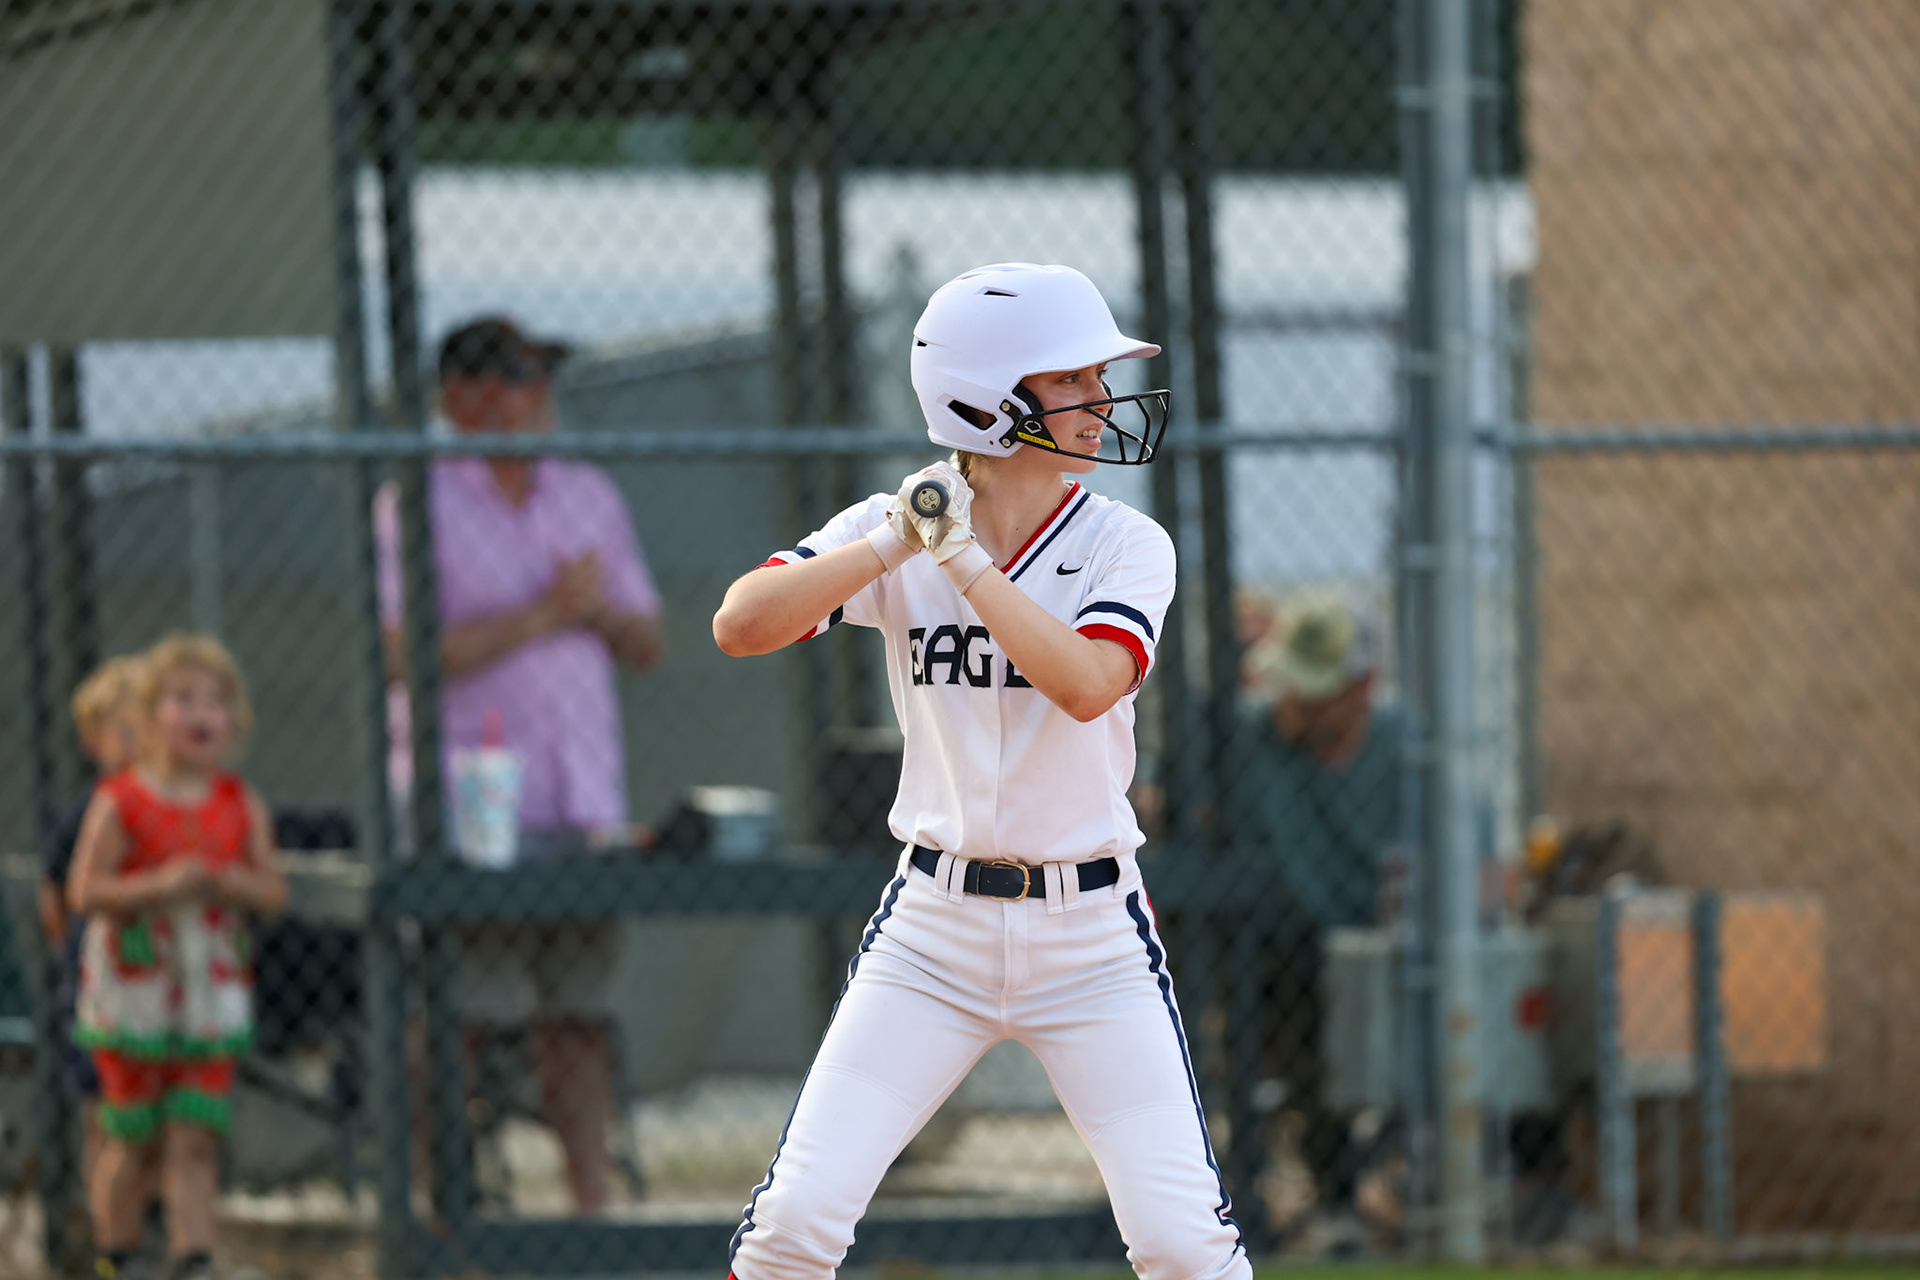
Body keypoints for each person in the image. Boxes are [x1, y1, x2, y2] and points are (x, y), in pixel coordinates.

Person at [712, 263, 1249, 1280]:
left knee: (1184, 1245)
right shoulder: (896, 526)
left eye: (1096, 376)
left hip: (1092, 935)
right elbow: (741, 623)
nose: (1100, 398)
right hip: (933, 930)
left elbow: (1087, 682)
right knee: (793, 1227)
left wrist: (963, 563)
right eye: (1071, 378)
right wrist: (894, 541)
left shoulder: (1126, 543)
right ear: (988, 401)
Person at [375, 315, 665, 1212]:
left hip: (582, 800)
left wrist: (593, 611)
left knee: (578, 1016)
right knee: (462, 1013)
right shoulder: (414, 501)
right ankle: (446, 1212)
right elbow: (400, 655)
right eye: (514, 378)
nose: (537, 397)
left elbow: (646, 642)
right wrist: (541, 615)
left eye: (541, 378)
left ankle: (590, 1215)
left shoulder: (587, 495)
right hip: (471, 804)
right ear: (459, 398)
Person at [67, 635, 289, 1280]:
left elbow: (272, 890)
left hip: (207, 996)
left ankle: (194, 1258)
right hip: (136, 992)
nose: (201, 712)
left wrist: (229, 883)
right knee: (131, 1132)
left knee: (194, 1136)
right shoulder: (122, 800)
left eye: (216, 701)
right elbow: (86, 890)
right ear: (148, 716)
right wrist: (159, 886)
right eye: (182, 698)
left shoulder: (238, 803)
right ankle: (118, 1255)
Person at [1232, 592, 1405, 1250]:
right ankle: (1319, 1193)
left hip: (1381, 949)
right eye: (1291, 685)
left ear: (1363, 688)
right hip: (1287, 956)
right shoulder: (1250, 740)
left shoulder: (1407, 752)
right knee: (1290, 980)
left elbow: (1476, 873)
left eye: (1317, 691)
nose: (1296, 702)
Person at [40, 655, 158, 1226]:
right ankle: (109, 1239)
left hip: (158, 988)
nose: (140, 744)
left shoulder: (170, 804)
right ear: (94, 742)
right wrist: (74, 955)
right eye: (125, 731)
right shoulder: (92, 809)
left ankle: (152, 1228)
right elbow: (54, 897)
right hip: (100, 989)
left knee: (156, 1122)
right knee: (104, 1121)